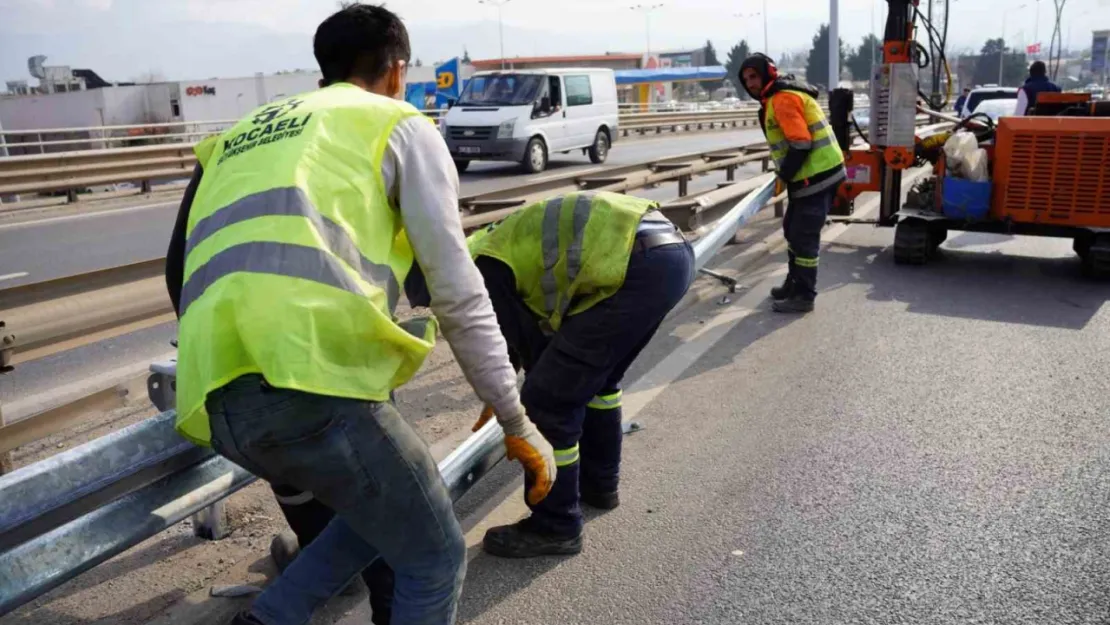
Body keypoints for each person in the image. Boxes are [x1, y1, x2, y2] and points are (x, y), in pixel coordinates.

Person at [163, 4, 557, 625]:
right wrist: (514, 415)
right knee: (434, 555)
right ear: (398, 70)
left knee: (383, 516)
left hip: (213, 400)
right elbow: (455, 288)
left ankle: (264, 619)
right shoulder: (396, 123)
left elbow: (175, 272)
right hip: (314, 386)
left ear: (324, 69)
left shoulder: (238, 134)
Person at [463, 191, 695, 557]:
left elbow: (529, 347)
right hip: (667, 256)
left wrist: (509, 399)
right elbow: (519, 339)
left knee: (546, 403)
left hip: (636, 266)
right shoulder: (490, 247)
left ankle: (554, 526)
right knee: (599, 383)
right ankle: (600, 487)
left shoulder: (478, 271)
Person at [739, 53, 846, 313]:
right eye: (746, 80)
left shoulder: (783, 99)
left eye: (754, 76)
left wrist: (784, 176)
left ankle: (804, 295)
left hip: (816, 175)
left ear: (768, 73)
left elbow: (800, 143)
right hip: (810, 175)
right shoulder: (778, 97)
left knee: (804, 235)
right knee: (791, 229)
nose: (751, 84)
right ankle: (794, 283)